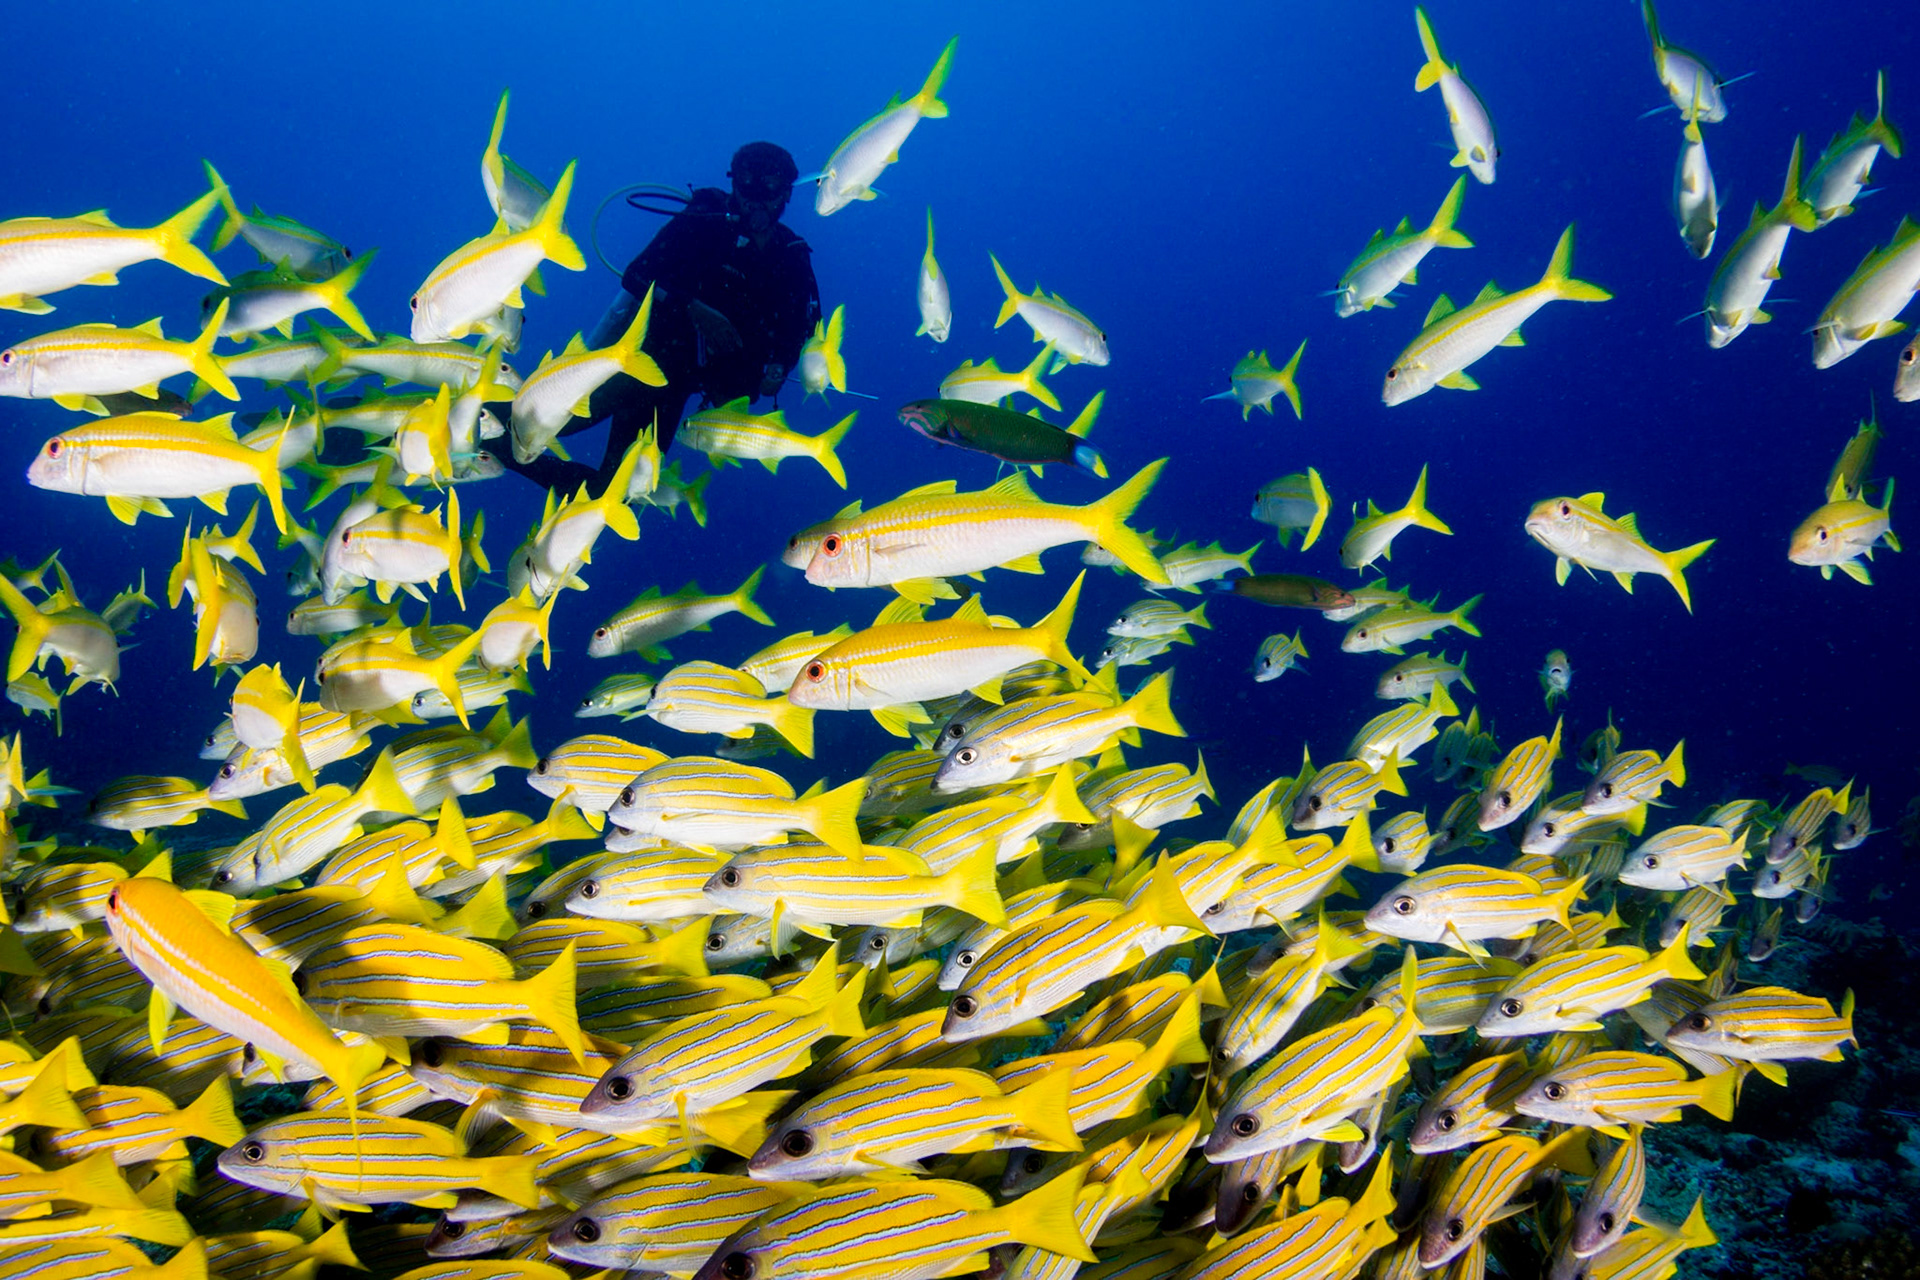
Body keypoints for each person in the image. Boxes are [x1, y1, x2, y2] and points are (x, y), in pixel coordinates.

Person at [504, 141, 822, 493]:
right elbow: (637, 274)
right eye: (747, 184)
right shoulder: (703, 221)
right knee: (535, 423)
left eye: (770, 187)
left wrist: (781, 364)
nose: (756, 199)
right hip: (642, 358)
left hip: (682, 386)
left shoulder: (791, 256)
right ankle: (463, 430)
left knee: (617, 493)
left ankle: (485, 446)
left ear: (787, 194)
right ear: (734, 184)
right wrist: (693, 307)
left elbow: (802, 327)